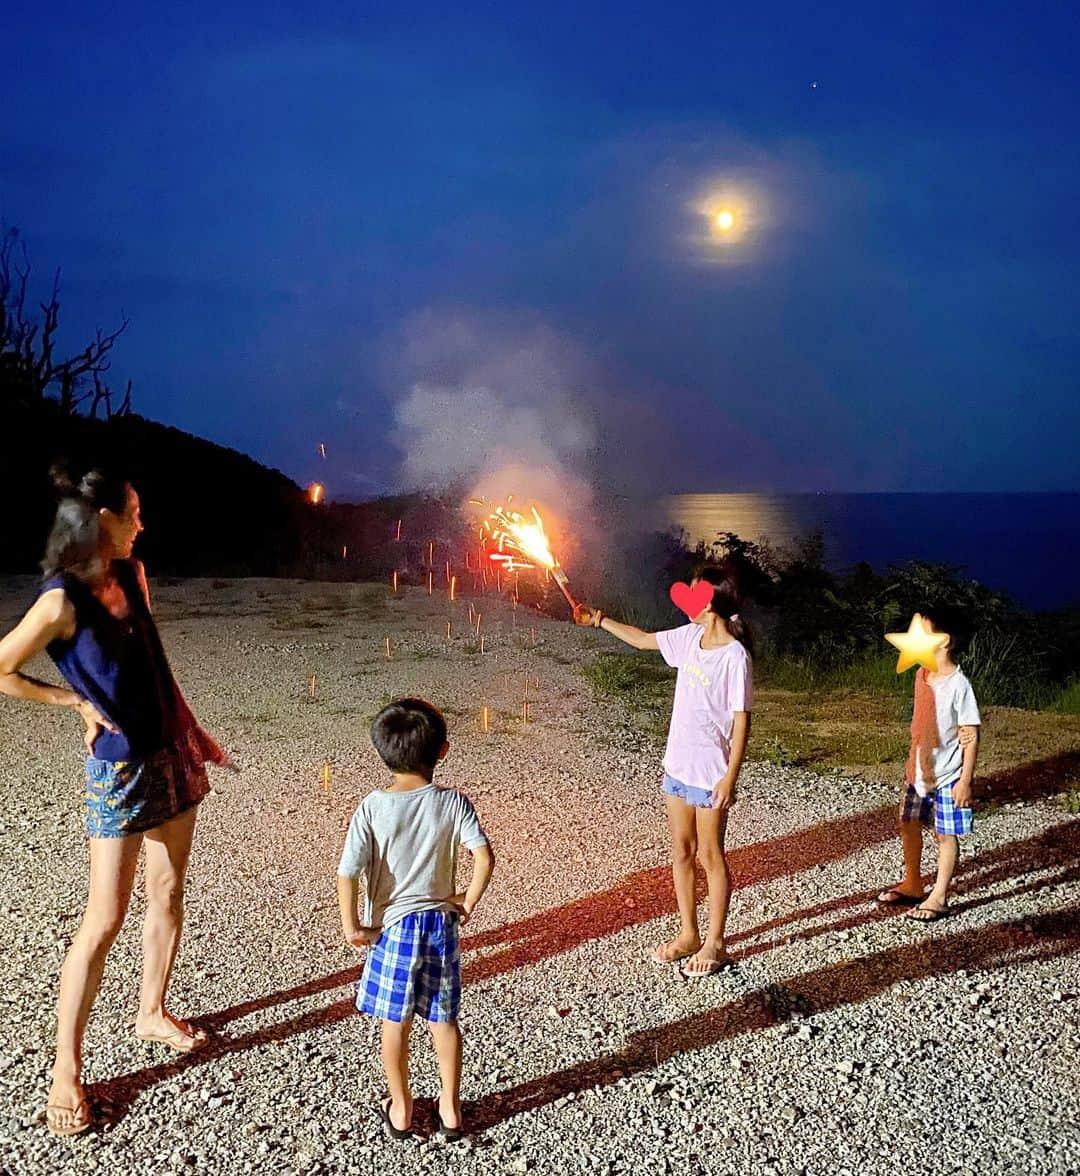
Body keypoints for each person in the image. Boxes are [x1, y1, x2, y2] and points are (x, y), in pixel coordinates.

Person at [0, 466, 229, 1136]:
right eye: (133, 512)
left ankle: (150, 1011)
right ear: (102, 519)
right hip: (120, 771)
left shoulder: (133, 574)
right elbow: (1, 668)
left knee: (169, 893)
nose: (141, 523)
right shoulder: (58, 603)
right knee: (104, 918)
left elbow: (154, 662)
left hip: (173, 755)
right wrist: (70, 700)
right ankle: (64, 1071)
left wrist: (192, 728)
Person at [574, 565, 753, 977]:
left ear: (709, 602)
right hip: (678, 767)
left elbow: (742, 721)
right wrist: (599, 620)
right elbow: (641, 640)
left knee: (711, 855)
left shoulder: (734, 657)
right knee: (682, 852)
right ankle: (689, 932)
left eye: (693, 594)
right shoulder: (689, 637)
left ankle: (716, 942)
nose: (686, 600)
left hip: (710, 773)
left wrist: (730, 777)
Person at [337, 698, 494, 1141]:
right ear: (441, 751)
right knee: (443, 1018)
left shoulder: (371, 808)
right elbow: (484, 857)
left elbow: (347, 873)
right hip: (440, 925)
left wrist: (352, 927)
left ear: (381, 752)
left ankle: (402, 1108)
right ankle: (449, 1108)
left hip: (394, 930)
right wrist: (467, 902)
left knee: (395, 1021)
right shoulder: (452, 803)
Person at [877, 606, 980, 922]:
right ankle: (912, 883)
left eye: (923, 631)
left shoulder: (958, 685)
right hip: (917, 773)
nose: (915, 636)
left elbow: (971, 734)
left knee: (944, 835)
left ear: (944, 641)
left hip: (947, 777)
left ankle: (939, 895)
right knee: (907, 825)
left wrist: (965, 781)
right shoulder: (922, 674)